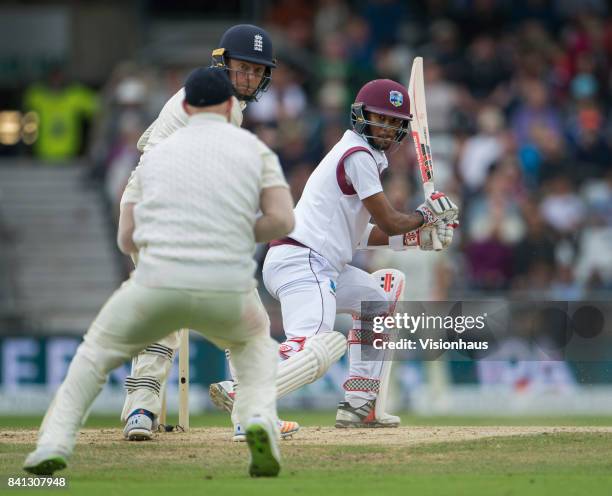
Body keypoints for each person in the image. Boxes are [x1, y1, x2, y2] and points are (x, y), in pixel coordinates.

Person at [23, 67, 293, 478]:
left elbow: (125, 238)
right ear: (228, 107)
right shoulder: (255, 151)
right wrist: (235, 234)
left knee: (93, 355)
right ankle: (254, 421)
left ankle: (53, 443)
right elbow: (283, 222)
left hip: (158, 280)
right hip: (225, 283)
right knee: (255, 346)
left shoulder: (153, 155)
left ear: (184, 105)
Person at [208, 79, 459, 427]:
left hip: (318, 261)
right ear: (361, 116)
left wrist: (417, 237)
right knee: (314, 345)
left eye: (393, 123)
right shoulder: (356, 155)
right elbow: (389, 219)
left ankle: (359, 403)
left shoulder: (363, 157)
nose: (385, 129)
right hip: (303, 260)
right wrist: (426, 216)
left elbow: (358, 236)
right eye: (379, 119)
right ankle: (244, 387)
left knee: (377, 300)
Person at [119, 24, 300, 442]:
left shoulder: (198, 96)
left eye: (258, 71)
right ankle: (250, 418)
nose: (250, 78)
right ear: (223, 64)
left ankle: (140, 413)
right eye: (243, 69)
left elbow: (151, 144)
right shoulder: (223, 104)